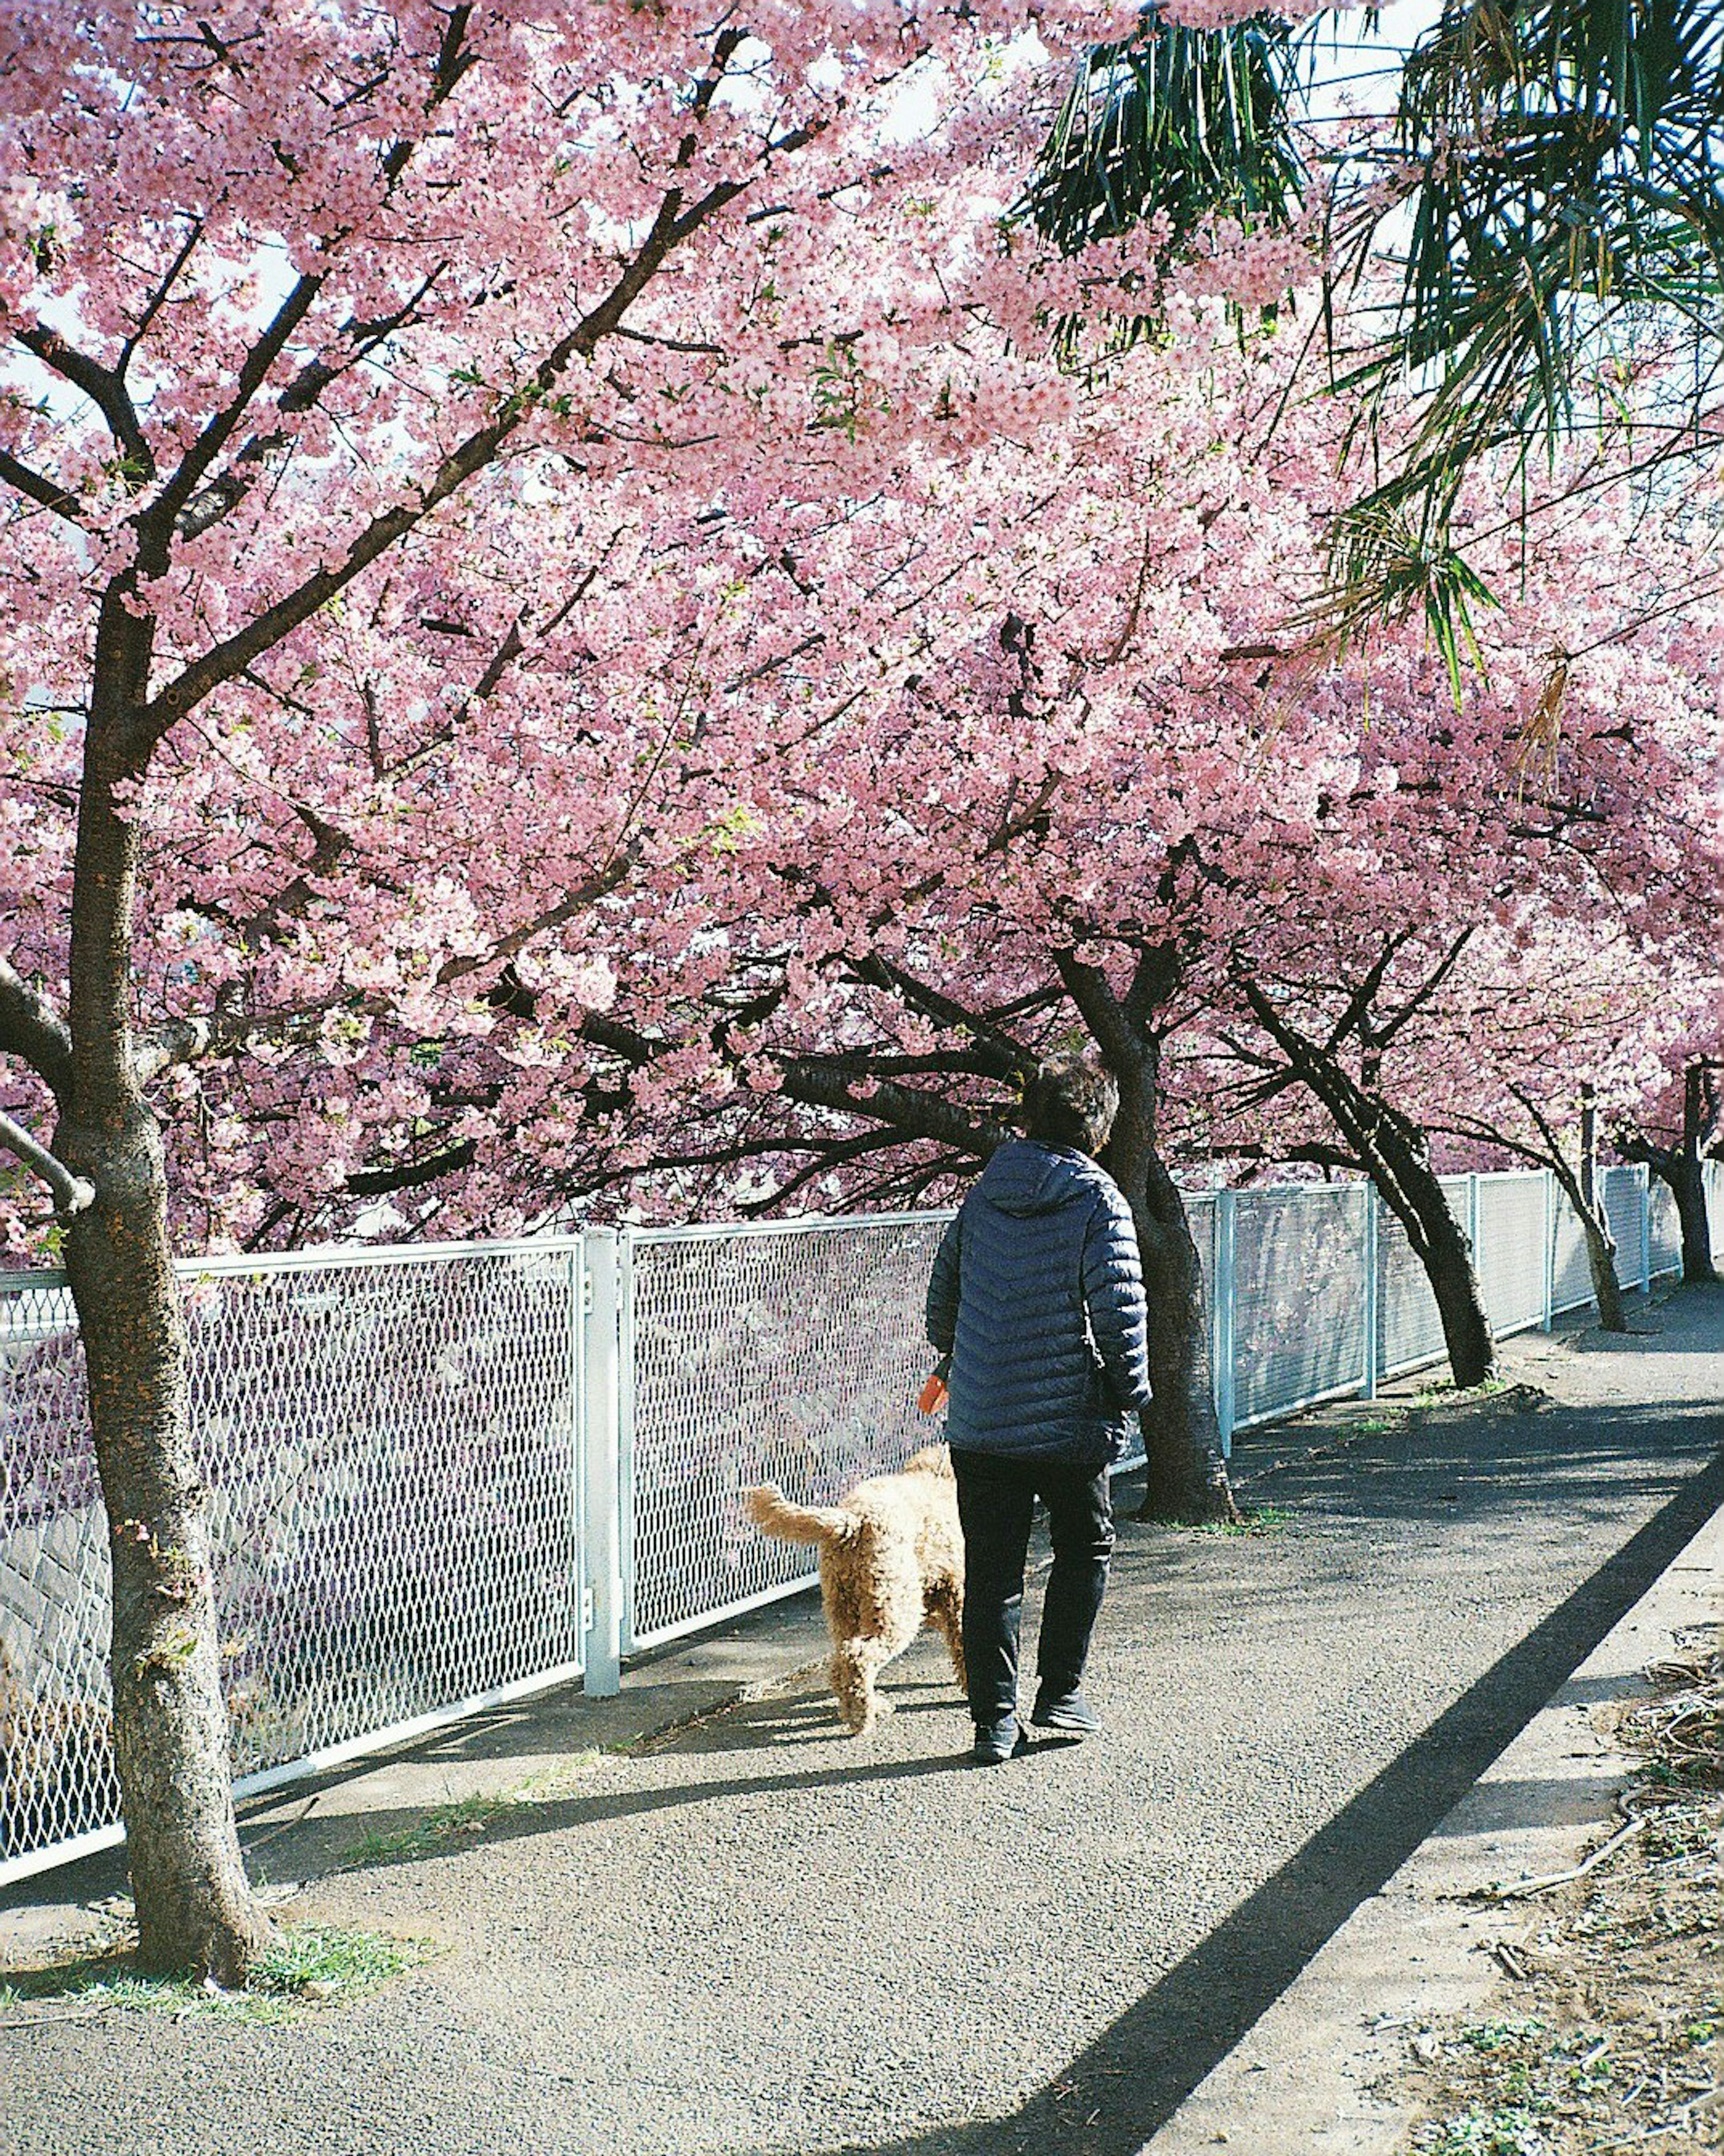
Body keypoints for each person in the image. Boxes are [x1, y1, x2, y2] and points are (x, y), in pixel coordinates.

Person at [925, 1054, 1153, 1765]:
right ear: (1100, 1124)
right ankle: (1060, 1692)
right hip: (1067, 1420)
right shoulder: (1097, 1196)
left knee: (992, 1572)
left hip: (984, 1420)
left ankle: (993, 1724)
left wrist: (972, 1357)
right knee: (1084, 1546)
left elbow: (943, 1303)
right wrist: (1128, 1391)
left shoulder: (984, 1192)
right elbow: (1119, 1313)